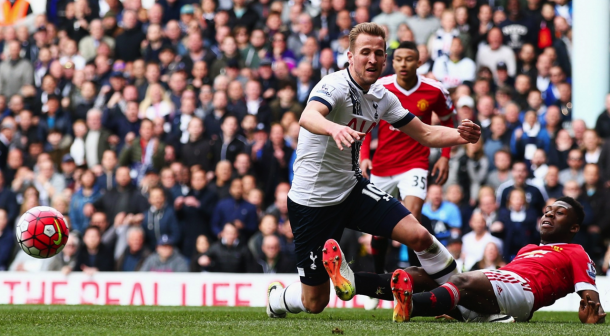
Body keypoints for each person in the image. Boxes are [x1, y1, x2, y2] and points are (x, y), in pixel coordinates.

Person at [266, 23, 480, 318]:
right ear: (350, 56)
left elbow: (427, 134)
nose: (372, 59)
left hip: (352, 189)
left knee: (418, 235)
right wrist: (334, 128)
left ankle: (468, 297)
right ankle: (278, 298)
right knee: (314, 303)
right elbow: (308, 116)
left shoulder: (382, 96)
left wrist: (460, 136)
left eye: (378, 53)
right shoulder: (333, 85)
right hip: (311, 202)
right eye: (364, 52)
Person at [326, 197, 605, 324]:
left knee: (460, 280)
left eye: (559, 212)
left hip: (523, 293)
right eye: (546, 210)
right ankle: (353, 281)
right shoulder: (528, 248)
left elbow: (590, 296)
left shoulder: (575, 251)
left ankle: (412, 305)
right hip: (496, 298)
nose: (548, 214)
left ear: (573, 227)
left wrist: (592, 311)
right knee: (417, 272)